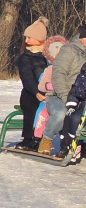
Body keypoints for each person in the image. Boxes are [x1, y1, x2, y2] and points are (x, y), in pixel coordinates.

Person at [41, 23, 86, 156]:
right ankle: (47, 138)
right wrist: (67, 97)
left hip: (82, 96)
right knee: (62, 114)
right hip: (59, 95)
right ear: (81, 38)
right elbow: (58, 74)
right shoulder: (68, 50)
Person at [14, 17, 49, 150]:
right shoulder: (25, 57)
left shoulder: (48, 55)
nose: (27, 41)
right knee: (30, 108)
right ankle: (29, 138)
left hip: (48, 90)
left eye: (30, 38)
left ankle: (43, 138)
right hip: (31, 92)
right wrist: (36, 92)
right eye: (26, 38)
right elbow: (27, 77)